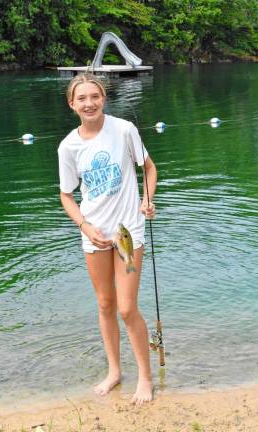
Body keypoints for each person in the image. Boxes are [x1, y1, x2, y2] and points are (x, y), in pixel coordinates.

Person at [58, 73, 157, 404]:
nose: (90, 103)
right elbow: (66, 196)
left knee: (127, 308)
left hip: (128, 232)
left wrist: (148, 199)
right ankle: (114, 372)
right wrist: (85, 227)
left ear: (104, 98)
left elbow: (149, 168)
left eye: (95, 96)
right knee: (105, 304)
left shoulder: (124, 130)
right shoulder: (68, 147)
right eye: (82, 98)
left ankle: (145, 378)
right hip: (94, 235)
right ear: (72, 104)